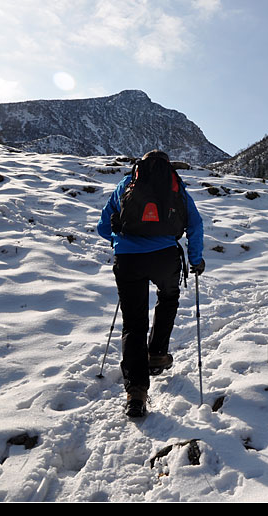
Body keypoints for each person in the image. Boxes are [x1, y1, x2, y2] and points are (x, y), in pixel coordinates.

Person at [97, 150, 205, 417]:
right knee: (168, 296)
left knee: (133, 323)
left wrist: (120, 242)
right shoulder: (176, 185)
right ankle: (157, 354)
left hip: (129, 259)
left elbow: (102, 226)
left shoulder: (127, 183)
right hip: (165, 257)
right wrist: (196, 260)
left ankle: (136, 392)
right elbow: (195, 224)